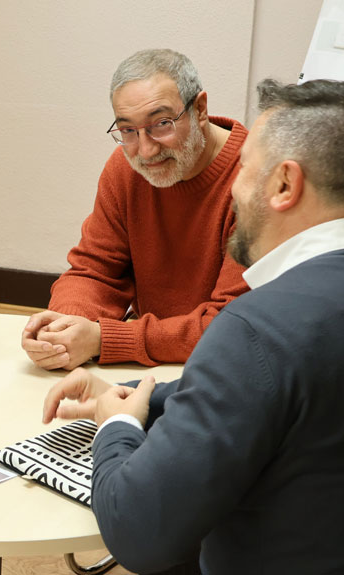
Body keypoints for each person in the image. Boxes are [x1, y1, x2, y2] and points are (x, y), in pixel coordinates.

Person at [41, 79, 344, 573]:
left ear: (284, 185)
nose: (232, 187)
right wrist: (136, 394)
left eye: (245, 167)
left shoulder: (255, 329)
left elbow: (137, 533)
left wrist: (115, 426)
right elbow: (295, 393)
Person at [22, 49, 249, 371]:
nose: (145, 150)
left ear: (199, 109)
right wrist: (65, 324)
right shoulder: (126, 170)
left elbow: (233, 325)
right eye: (128, 130)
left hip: (226, 368)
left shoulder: (255, 181)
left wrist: (105, 339)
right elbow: (95, 270)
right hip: (144, 359)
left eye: (162, 124)